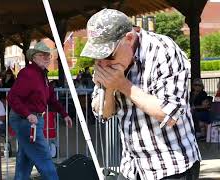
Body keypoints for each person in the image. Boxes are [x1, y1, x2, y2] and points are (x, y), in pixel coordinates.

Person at [81, 9, 201, 180]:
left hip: (171, 166)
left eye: (107, 55)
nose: (103, 63)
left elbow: (168, 113)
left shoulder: (163, 50)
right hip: (132, 167)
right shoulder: (105, 64)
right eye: (97, 56)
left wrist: (122, 84)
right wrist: (108, 88)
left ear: (129, 39)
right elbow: (103, 114)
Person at [7, 41, 73, 180]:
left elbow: (50, 99)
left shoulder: (42, 75)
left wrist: (64, 114)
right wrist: (28, 114)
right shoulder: (28, 73)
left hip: (32, 120)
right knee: (43, 156)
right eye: (43, 55)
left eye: (48, 55)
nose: (48, 58)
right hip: (26, 120)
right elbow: (13, 97)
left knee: (26, 159)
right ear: (35, 57)